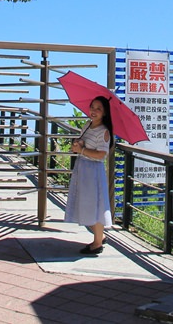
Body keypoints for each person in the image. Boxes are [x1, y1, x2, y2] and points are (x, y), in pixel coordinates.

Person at [64, 95, 114, 255]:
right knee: (84, 203)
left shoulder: (104, 131)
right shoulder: (87, 125)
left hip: (93, 171)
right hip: (83, 168)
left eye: (99, 109)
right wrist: (80, 144)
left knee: (96, 206)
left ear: (105, 113)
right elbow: (85, 143)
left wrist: (82, 150)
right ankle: (99, 237)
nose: (94, 111)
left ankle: (97, 243)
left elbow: (101, 155)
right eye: (93, 107)